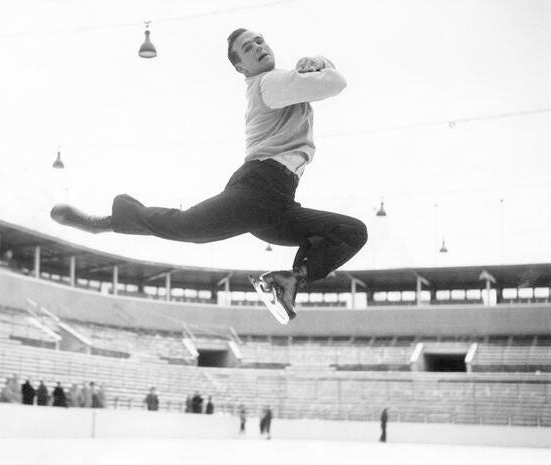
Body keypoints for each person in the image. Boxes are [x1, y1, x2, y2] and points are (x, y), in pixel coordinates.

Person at [50, 28, 367, 324]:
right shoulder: (270, 82)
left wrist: (316, 63)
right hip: (259, 189)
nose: (258, 47)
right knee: (188, 226)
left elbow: (322, 80)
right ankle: (109, 222)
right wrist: (321, 63)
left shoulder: (285, 84)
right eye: (248, 48)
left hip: (279, 203)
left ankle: (290, 280)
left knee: (351, 232)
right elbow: (334, 83)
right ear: (241, 67)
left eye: (260, 41)